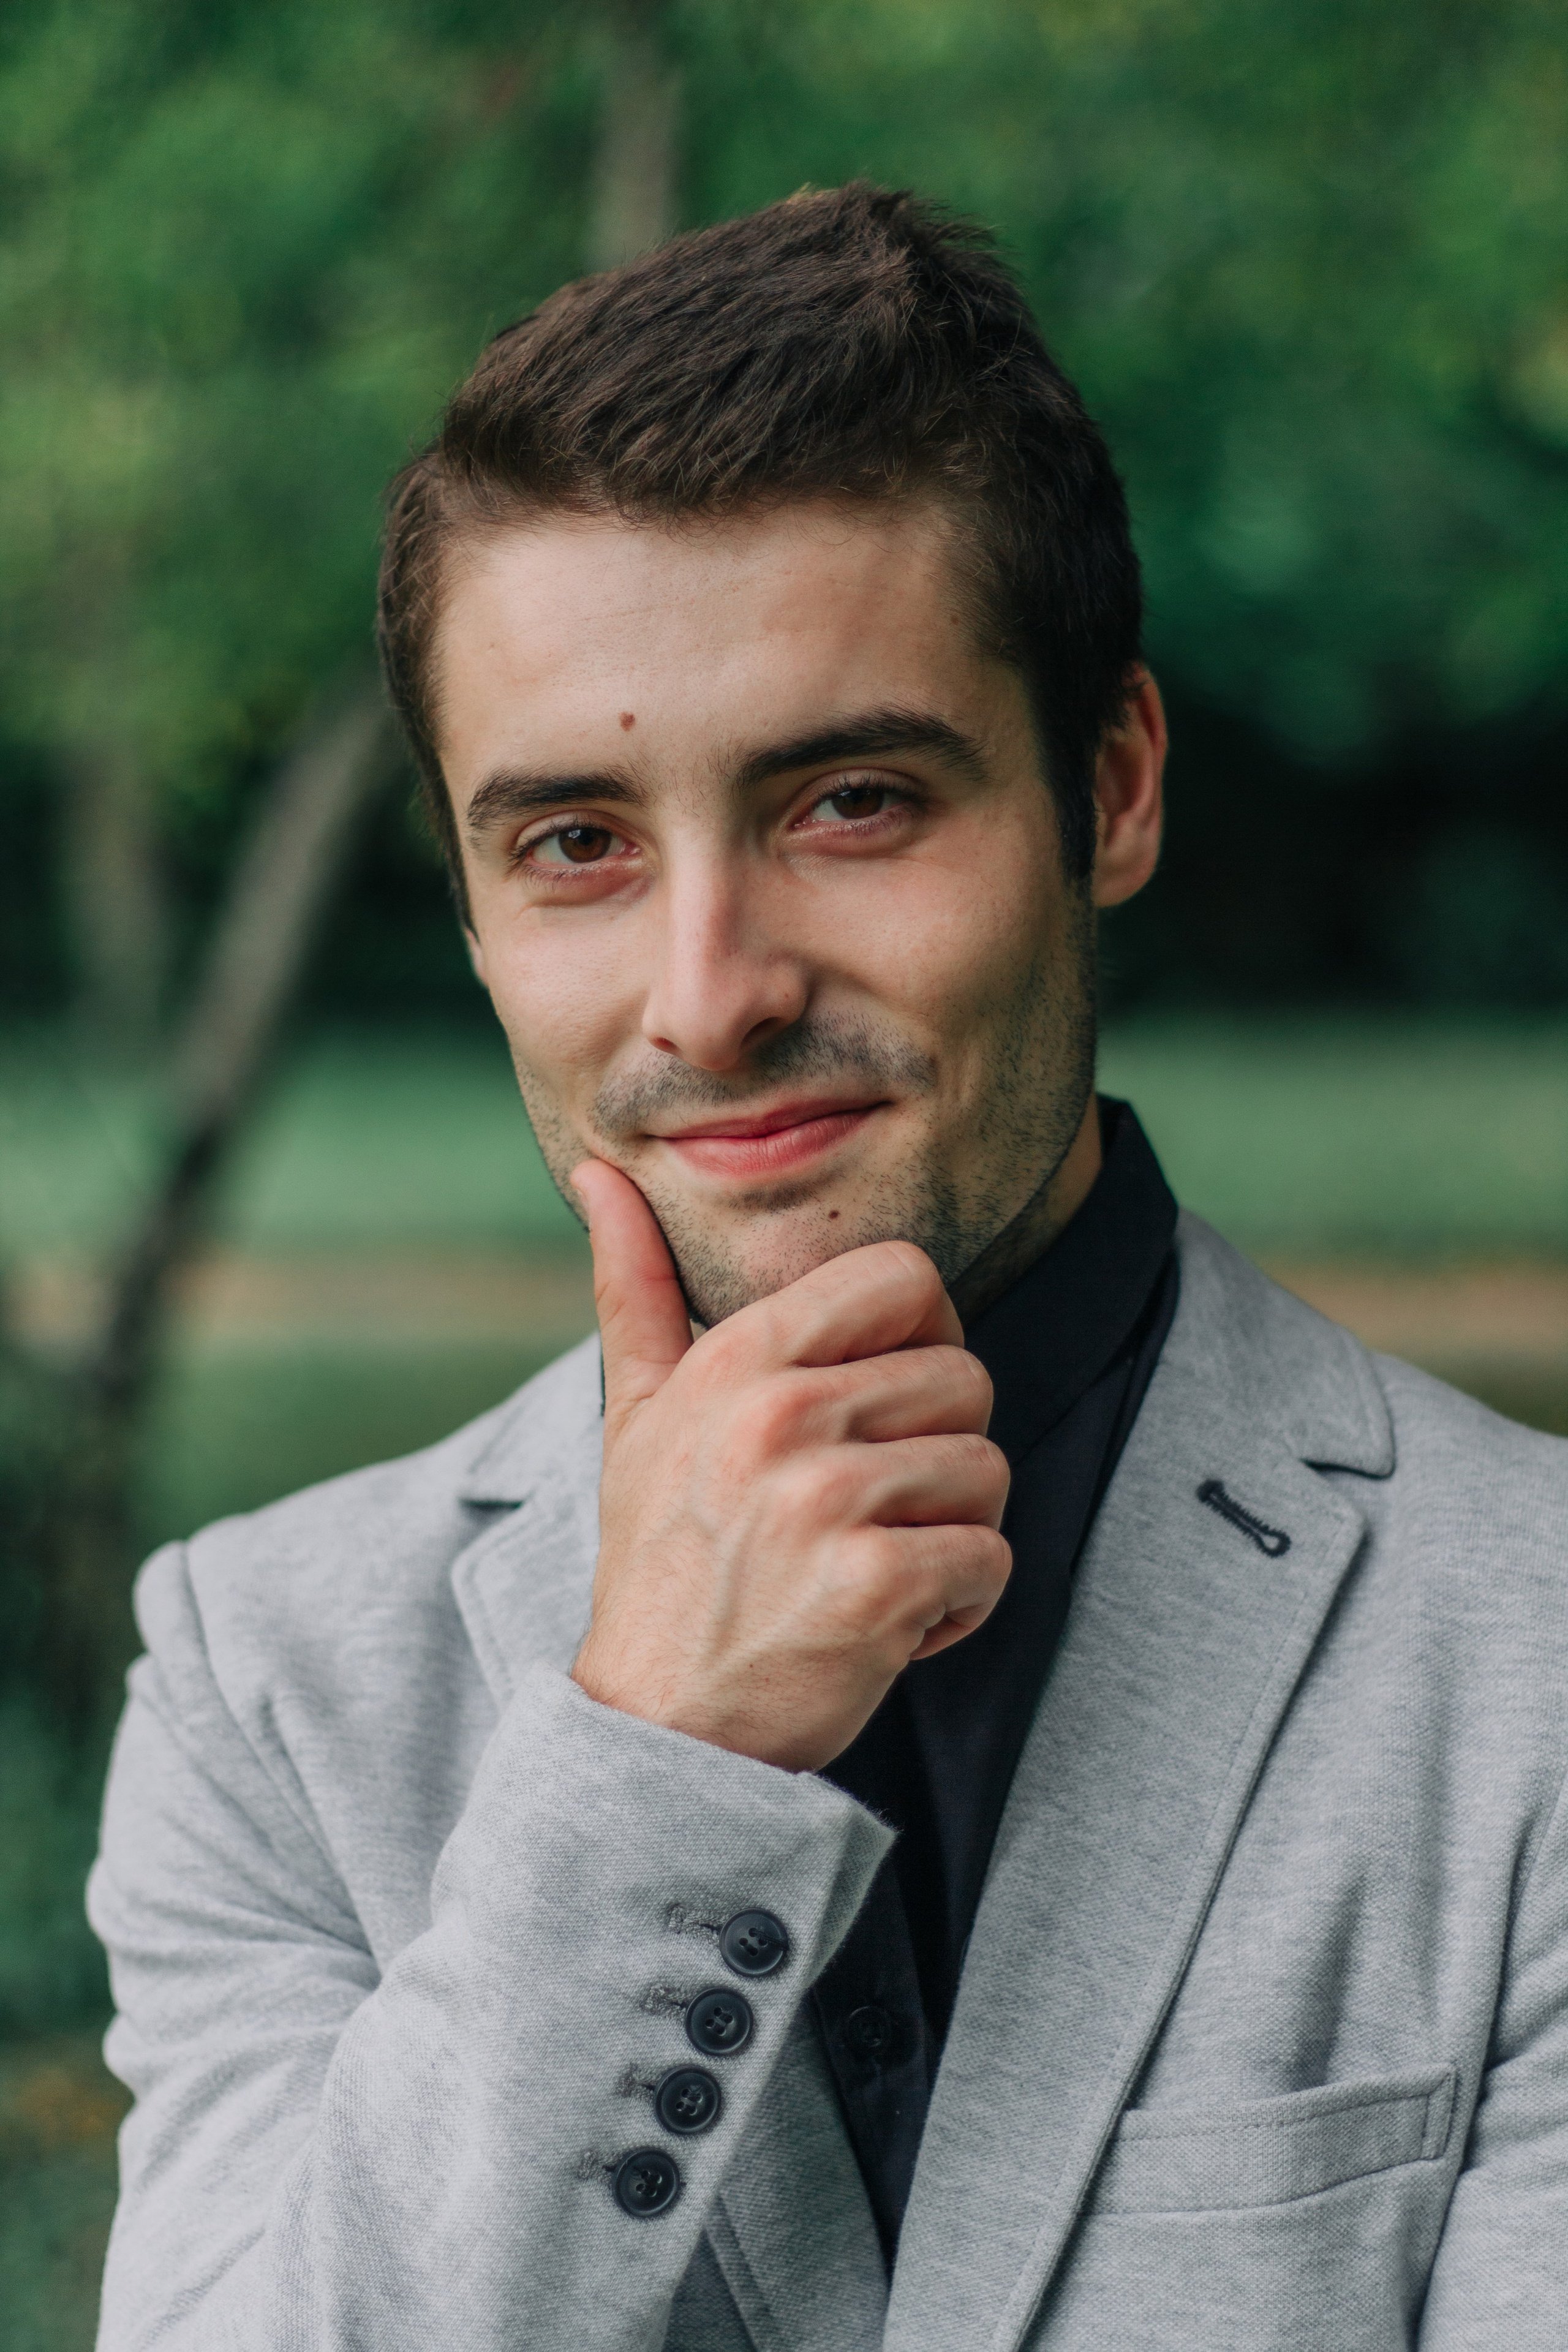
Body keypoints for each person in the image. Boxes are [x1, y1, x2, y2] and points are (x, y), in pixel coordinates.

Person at [89, 184, 1568, 2351]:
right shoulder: (273, 1688)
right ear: (482, 913)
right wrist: (654, 1763)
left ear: (1115, 788)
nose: (709, 997)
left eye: (852, 801)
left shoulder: (1535, 1660)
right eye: (575, 845)